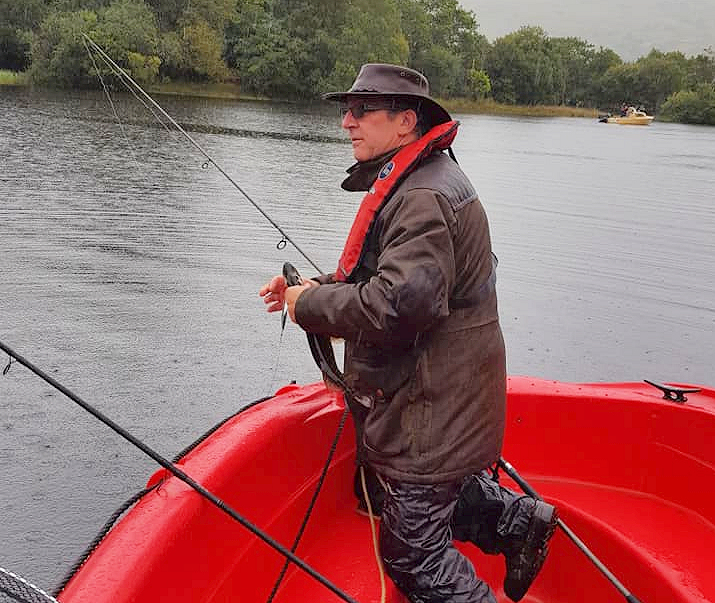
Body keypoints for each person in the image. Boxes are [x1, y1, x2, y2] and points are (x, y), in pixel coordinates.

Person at [260, 63, 557, 603]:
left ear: (404, 122)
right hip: (448, 393)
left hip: (433, 406)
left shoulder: (421, 197)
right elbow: (394, 280)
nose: (347, 122)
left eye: (361, 110)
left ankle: (515, 523)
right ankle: (517, 520)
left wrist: (311, 304)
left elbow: (396, 307)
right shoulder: (427, 179)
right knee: (387, 495)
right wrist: (310, 292)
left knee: (412, 555)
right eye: (346, 111)